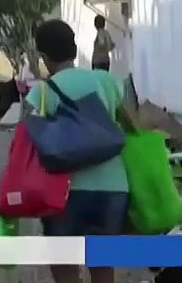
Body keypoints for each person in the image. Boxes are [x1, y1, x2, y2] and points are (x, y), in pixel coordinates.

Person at [28, 19, 129, 283]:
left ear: (43, 56)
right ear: (74, 48)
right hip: (112, 189)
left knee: (65, 269)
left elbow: (26, 142)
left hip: (64, 193)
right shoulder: (106, 81)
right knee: (103, 267)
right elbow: (132, 124)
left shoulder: (40, 93)